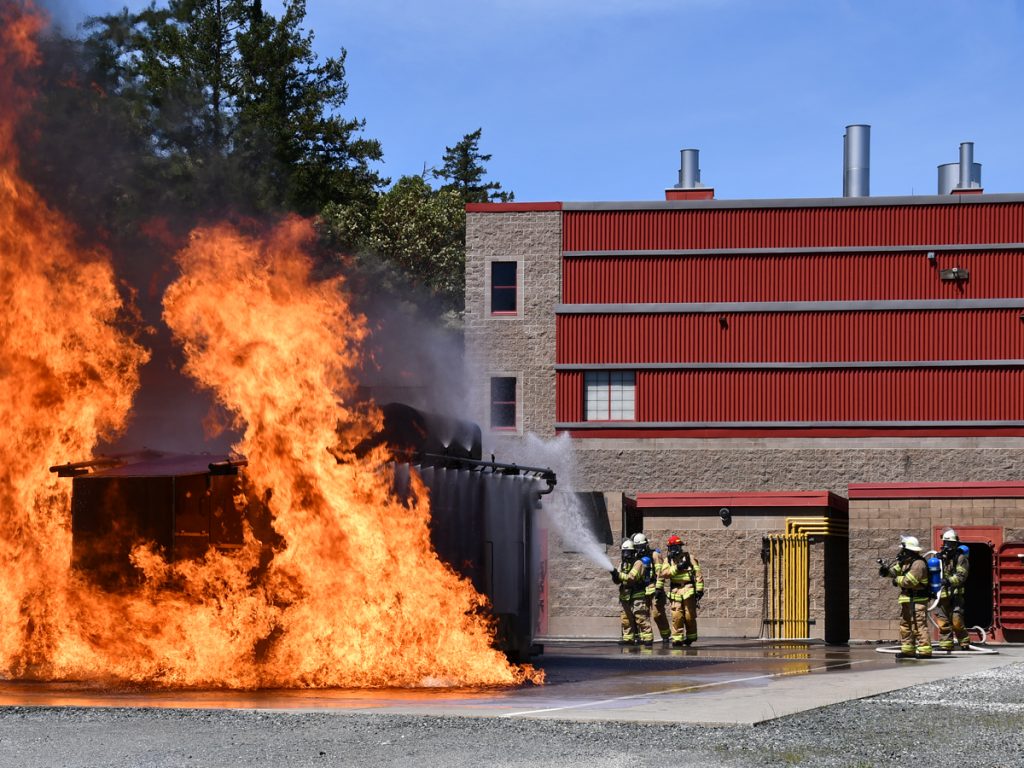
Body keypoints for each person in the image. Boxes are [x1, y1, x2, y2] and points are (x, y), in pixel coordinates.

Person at [882, 535, 932, 658]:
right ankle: (908, 649)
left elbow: (910, 581)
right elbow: (894, 571)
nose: (901, 552)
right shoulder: (905, 562)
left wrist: (896, 580)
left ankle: (925, 651)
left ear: (909, 550)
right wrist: (886, 571)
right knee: (905, 625)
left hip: (918, 600)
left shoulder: (918, 564)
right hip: (907, 599)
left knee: (919, 625)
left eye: (903, 550)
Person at [662, 534, 704, 646]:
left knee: (689, 616)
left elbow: (698, 573)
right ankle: (677, 639)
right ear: (669, 548)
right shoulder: (668, 560)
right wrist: (678, 567)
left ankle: (691, 637)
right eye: (672, 547)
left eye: (677, 547)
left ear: (680, 547)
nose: (675, 550)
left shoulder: (689, 557)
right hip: (675, 590)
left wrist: (699, 590)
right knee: (677, 616)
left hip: (688, 589)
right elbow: (664, 574)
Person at [610, 539, 653, 645]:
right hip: (625, 595)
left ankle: (647, 638)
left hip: (637, 595)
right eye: (624, 552)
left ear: (633, 552)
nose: (625, 554)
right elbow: (618, 580)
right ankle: (628, 638)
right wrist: (614, 575)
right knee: (626, 619)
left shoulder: (638, 563)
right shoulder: (623, 564)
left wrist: (618, 574)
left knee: (641, 617)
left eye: (627, 552)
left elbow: (631, 577)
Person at [935, 528, 971, 651]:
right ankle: (946, 645)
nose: (947, 546)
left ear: (955, 544)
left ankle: (964, 642)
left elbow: (961, 576)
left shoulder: (961, 558)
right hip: (942, 596)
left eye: (950, 543)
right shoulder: (940, 557)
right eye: (945, 543)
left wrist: (948, 581)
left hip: (955, 595)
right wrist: (937, 559)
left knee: (957, 621)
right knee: (943, 622)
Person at [632, 533, 671, 643]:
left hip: (654, 589)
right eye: (637, 547)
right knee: (641, 615)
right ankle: (644, 637)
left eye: (641, 546)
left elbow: (660, 573)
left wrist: (659, 588)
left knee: (657, 614)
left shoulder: (654, 555)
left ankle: (665, 636)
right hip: (641, 591)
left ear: (646, 545)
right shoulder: (636, 558)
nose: (639, 549)